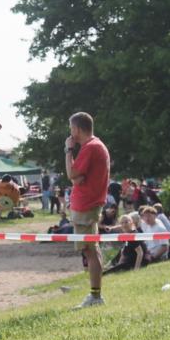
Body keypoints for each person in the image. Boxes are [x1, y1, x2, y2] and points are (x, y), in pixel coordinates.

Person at [64, 112, 110, 309]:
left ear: (77, 129)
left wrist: (68, 151)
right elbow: (76, 178)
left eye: (70, 128)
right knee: (92, 250)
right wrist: (75, 177)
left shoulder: (90, 148)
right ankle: (95, 295)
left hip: (86, 206)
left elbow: (72, 174)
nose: (70, 132)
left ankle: (95, 296)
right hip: (87, 205)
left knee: (90, 251)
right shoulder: (94, 146)